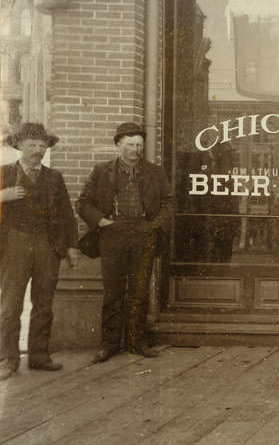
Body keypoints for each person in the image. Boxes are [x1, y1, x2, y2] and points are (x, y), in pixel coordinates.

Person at [78, 122, 176, 362]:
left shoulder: (155, 172)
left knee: (139, 291)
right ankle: (108, 344)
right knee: (112, 292)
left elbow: (169, 202)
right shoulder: (102, 171)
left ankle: (137, 342)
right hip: (113, 234)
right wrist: (101, 221)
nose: (135, 149)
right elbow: (83, 203)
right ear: (118, 144)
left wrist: (154, 226)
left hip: (143, 233)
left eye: (139, 145)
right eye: (130, 144)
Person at [0, 123, 80, 380]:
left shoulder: (54, 177)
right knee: (10, 305)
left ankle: (39, 355)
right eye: (32, 145)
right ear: (19, 146)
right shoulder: (3, 174)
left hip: (48, 245)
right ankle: (7, 359)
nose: (37, 150)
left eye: (42, 145)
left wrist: (71, 246)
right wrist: (3, 196)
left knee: (44, 302)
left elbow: (67, 214)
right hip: (14, 244)